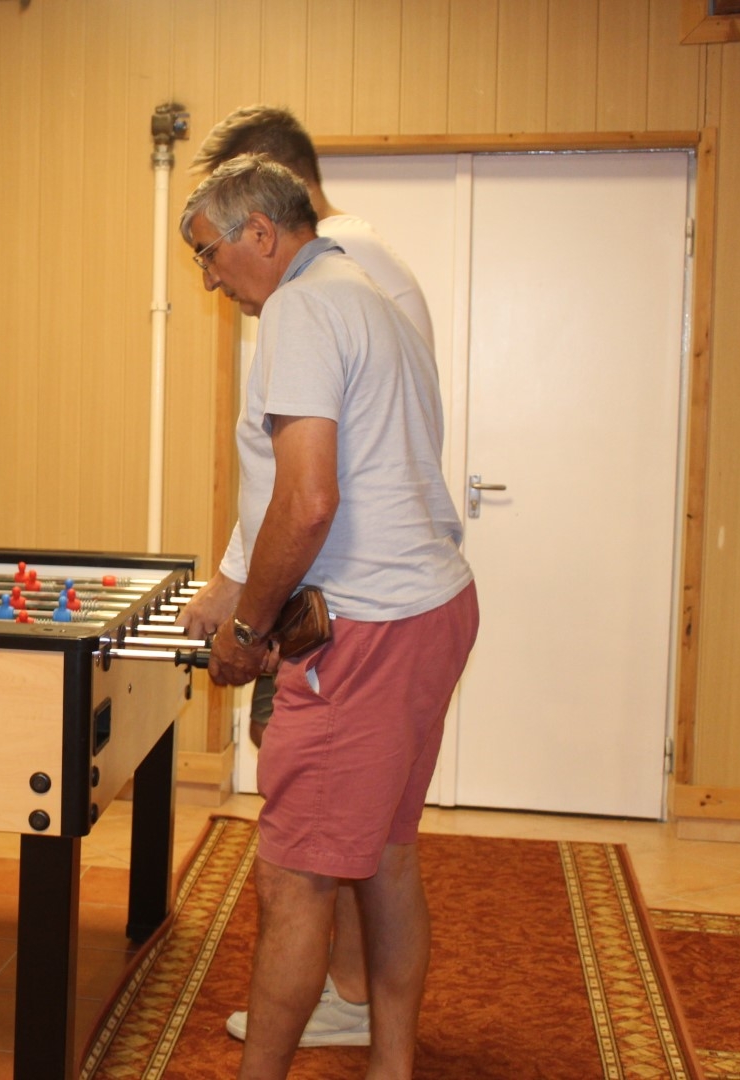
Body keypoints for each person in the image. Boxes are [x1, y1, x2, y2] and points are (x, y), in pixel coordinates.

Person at [179, 156, 477, 1080]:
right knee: (385, 857)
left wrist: (246, 632)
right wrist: (236, 589)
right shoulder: (368, 293)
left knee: (295, 875)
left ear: (260, 232)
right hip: (430, 608)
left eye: (209, 253)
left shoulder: (302, 308)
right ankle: (391, 1068)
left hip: (367, 630)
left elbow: (307, 501)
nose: (209, 278)